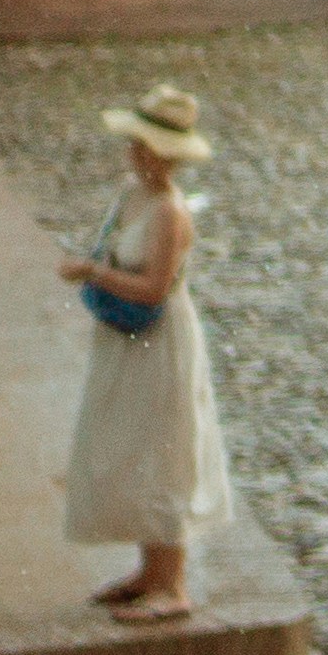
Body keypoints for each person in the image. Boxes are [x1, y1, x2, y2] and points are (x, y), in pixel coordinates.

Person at [58, 86, 231, 625]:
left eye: (147, 146)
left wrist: (94, 274)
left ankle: (171, 583)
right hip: (126, 340)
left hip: (159, 340)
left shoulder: (170, 212)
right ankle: (147, 571)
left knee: (164, 448)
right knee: (130, 442)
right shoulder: (131, 194)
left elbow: (154, 288)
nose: (136, 153)